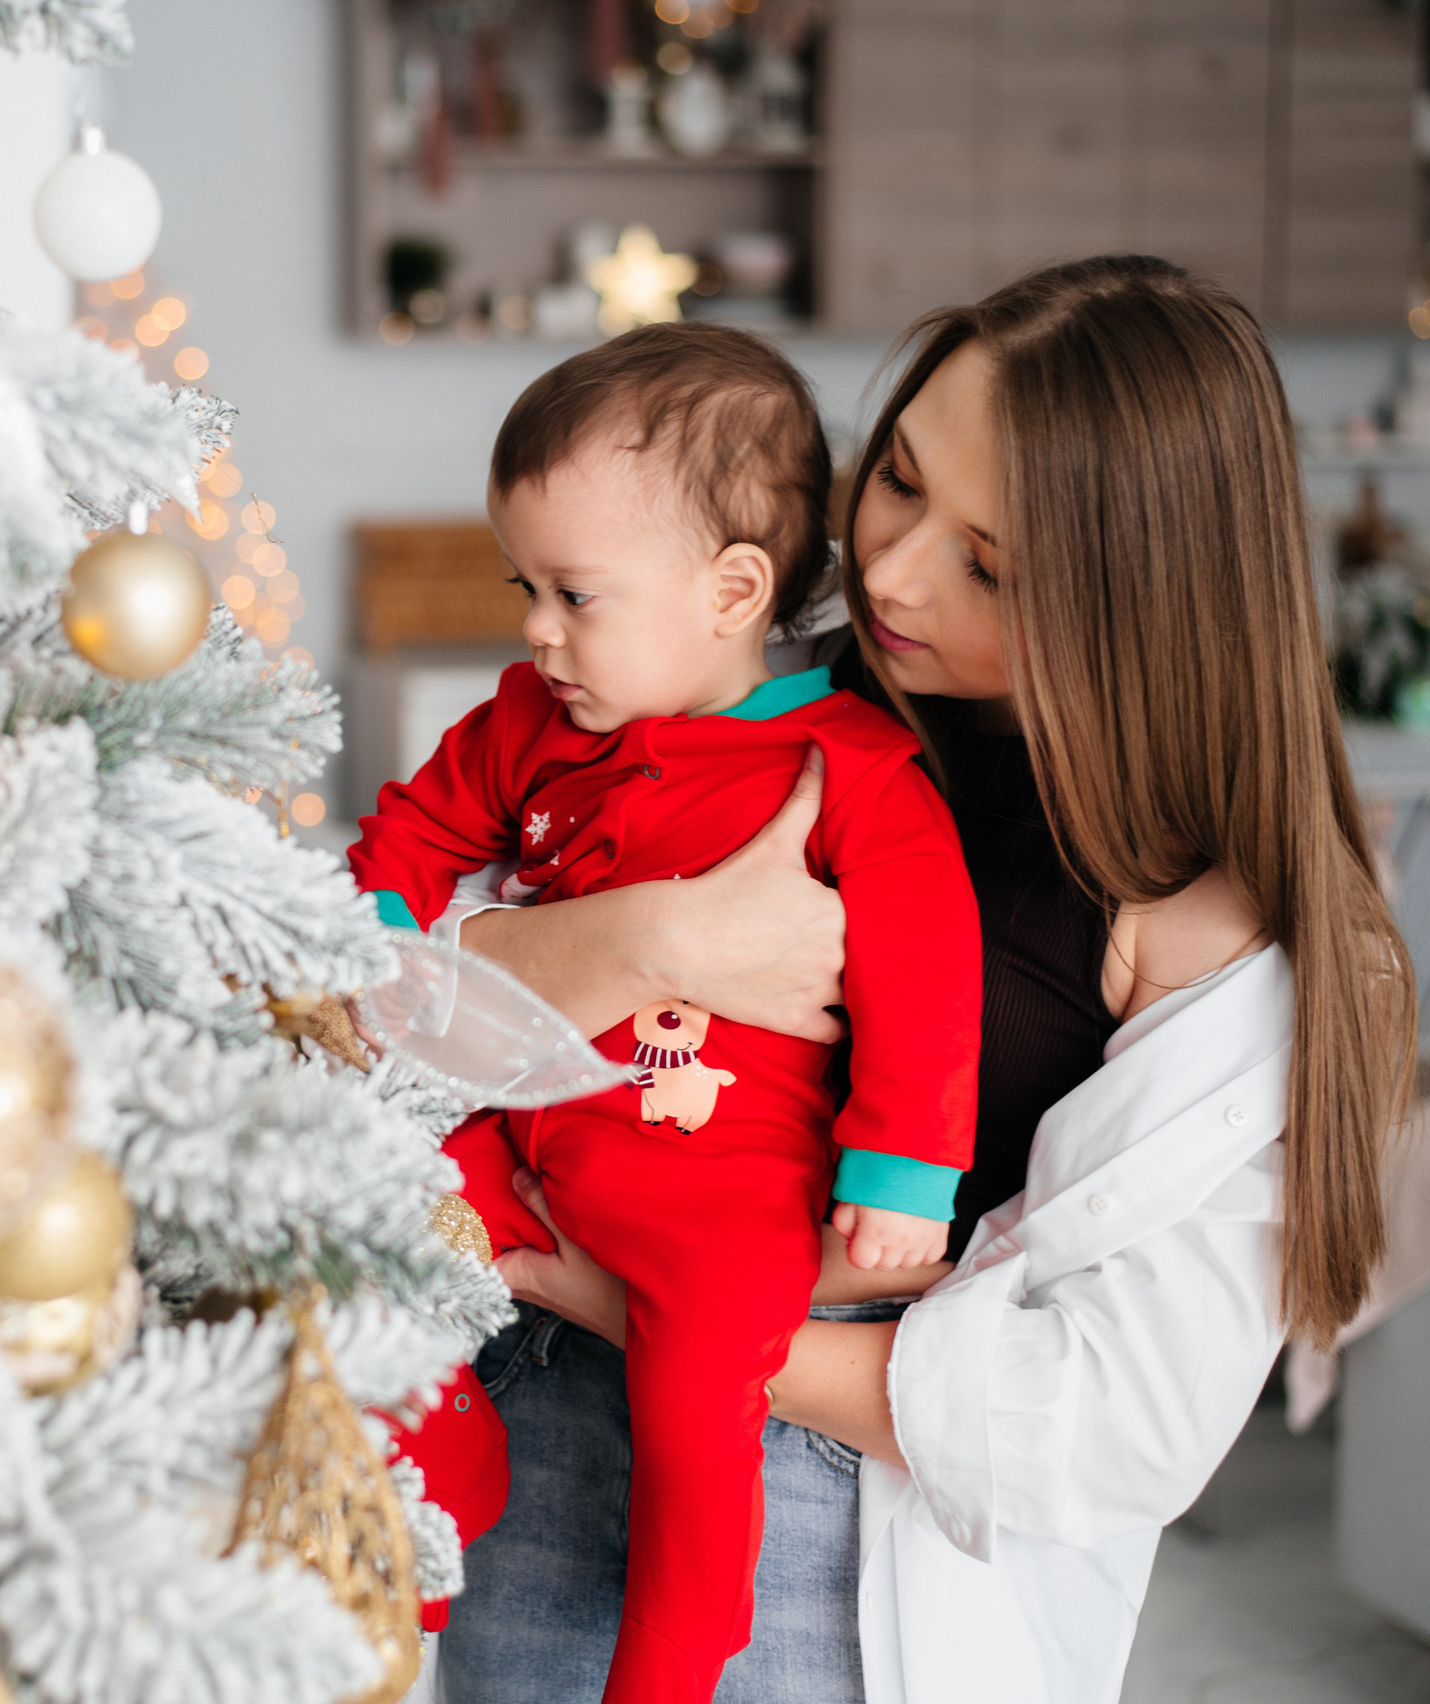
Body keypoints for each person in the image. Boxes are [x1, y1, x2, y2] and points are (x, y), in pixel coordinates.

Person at [432, 256, 1415, 1704]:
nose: (888, 572)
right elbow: (392, 978)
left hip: (826, 1529)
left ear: (1139, 600)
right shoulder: (729, 687)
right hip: (541, 1429)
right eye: (897, 479)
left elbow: (1114, 1420)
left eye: (990, 566)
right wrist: (660, 940)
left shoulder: (1208, 918)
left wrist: (653, 1315)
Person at [349, 323, 980, 1704]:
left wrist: (900, 1174)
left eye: (575, 594)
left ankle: (677, 1651)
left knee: (706, 1391)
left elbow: (927, 978)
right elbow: (401, 841)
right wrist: (376, 944)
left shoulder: (853, 769)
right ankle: (436, 1451)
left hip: (725, 1189)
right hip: (525, 1135)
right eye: (528, 586)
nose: (534, 627)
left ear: (731, 589)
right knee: (378, 1211)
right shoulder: (527, 720)